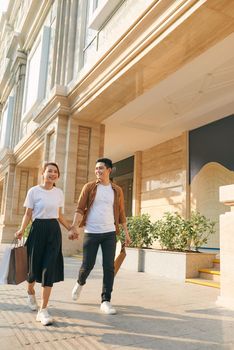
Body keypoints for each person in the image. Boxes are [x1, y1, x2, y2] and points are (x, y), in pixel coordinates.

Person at [15, 162, 77, 326]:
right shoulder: (33, 191)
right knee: (33, 268)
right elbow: (28, 213)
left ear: (58, 175)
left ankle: (43, 310)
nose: (52, 174)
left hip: (53, 232)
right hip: (37, 230)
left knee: (48, 268)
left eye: (55, 172)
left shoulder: (59, 193)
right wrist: (22, 229)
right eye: (49, 171)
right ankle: (30, 291)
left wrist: (70, 227)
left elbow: (58, 214)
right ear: (43, 173)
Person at [69, 158, 131, 315]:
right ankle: (80, 282)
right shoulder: (89, 187)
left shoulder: (117, 190)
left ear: (109, 170)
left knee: (108, 267)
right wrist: (74, 227)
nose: (98, 171)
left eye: (101, 168)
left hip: (110, 233)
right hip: (92, 232)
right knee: (87, 265)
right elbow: (80, 208)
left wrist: (126, 233)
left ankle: (106, 301)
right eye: (96, 168)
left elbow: (122, 213)